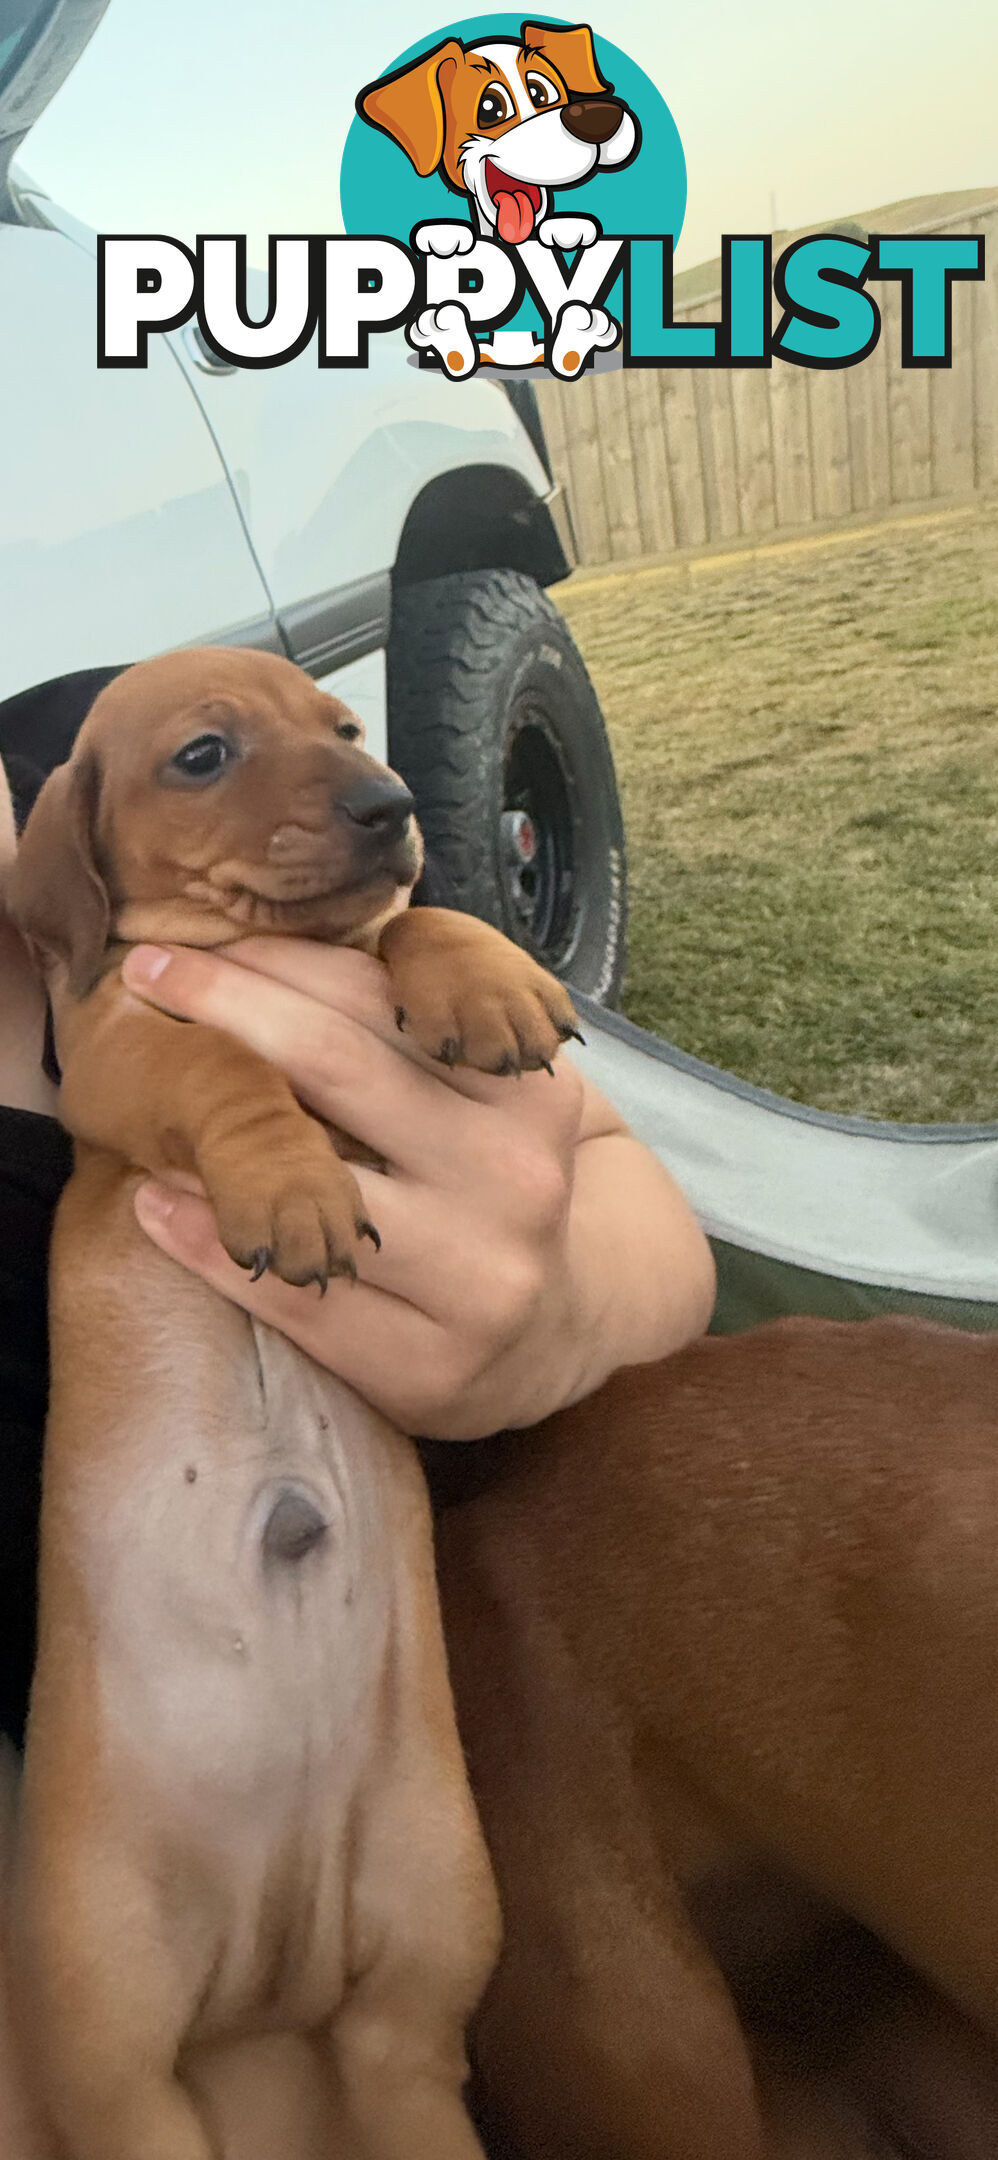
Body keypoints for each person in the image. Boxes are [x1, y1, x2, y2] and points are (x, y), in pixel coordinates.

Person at [0, 737, 715, 2155]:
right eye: (214, 761)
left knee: (412, 2060)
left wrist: (561, 1308)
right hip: (135, 1833)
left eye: (337, 738)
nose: (346, 775)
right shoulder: (128, 829)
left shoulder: (125, 741)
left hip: (426, 1745)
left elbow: (613, 1176)